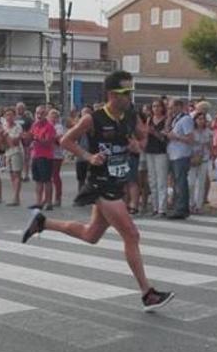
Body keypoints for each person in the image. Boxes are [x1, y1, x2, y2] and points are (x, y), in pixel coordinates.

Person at [20, 70, 174, 311]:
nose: (130, 96)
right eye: (126, 92)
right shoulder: (93, 119)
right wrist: (88, 156)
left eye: (131, 91)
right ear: (112, 94)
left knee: (91, 235)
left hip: (117, 182)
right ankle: (147, 293)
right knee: (132, 235)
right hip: (101, 184)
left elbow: (143, 140)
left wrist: (137, 145)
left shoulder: (131, 116)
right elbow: (66, 140)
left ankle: (42, 222)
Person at [165, 98, 194, 220]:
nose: (169, 110)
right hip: (173, 154)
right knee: (176, 182)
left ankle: (182, 209)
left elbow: (190, 139)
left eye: (171, 107)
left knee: (181, 182)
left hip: (181, 155)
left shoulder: (186, 119)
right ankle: (177, 207)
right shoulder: (175, 119)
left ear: (178, 106)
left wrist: (175, 136)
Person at [143, 100, 169, 217]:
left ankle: (162, 208)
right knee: (152, 180)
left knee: (161, 180)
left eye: (158, 106)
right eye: (154, 106)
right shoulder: (149, 119)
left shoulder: (166, 120)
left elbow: (164, 138)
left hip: (161, 151)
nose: (156, 108)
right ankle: (154, 207)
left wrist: (154, 132)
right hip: (149, 151)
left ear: (162, 108)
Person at [29, 105, 56, 210]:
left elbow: (48, 142)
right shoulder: (34, 125)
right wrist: (27, 137)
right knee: (38, 180)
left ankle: (49, 202)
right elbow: (30, 138)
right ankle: (39, 202)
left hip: (45, 156)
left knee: (47, 180)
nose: (39, 115)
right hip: (35, 155)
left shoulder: (49, 126)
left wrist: (36, 138)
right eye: (37, 113)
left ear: (46, 114)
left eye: (41, 113)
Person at [188, 112, 212, 215]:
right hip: (192, 159)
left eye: (203, 119)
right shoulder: (191, 131)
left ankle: (199, 205)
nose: (201, 121)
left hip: (204, 159)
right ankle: (191, 203)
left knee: (201, 183)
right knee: (191, 183)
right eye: (199, 119)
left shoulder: (208, 132)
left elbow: (210, 146)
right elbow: (188, 144)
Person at [2, 107, 24, 206]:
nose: (8, 117)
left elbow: (15, 142)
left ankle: (16, 197)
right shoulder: (4, 126)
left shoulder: (18, 127)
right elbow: (2, 142)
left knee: (17, 174)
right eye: (7, 115)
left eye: (10, 115)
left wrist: (6, 137)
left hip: (16, 152)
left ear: (14, 116)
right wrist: (6, 138)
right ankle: (15, 196)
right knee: (11, 175)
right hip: (7, 153)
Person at [73, 107, 94, 195]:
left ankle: (91, 196)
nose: (86, 115)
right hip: (80, 155)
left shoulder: (95, 126)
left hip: (92, 155)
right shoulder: (77, 127)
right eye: (84, 113)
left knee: (91, 177)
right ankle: (80, 195)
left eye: (88, 113)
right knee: (81, 178)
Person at [49, 108, 65, 207]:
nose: (53, 118)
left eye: (55, 117)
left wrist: (50, 136)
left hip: (56, 155)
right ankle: (48, 197)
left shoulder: (59, 126)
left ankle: (58, 198)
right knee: (48, 177)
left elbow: (58, 138)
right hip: (47, 154)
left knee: (55, 176)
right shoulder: (48, 125)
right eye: (51, 116)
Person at [14, 102, 34, 182]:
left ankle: (26, 175)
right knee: (18, 158)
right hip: (16, 141)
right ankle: (19, 175)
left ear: (24, 109)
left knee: (26, 158)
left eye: (21, 108)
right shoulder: (14, 118)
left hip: (25, 141)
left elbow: (32, 128)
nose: (19, 110)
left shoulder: (28, 119)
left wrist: (27, 134)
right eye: (18, 108)